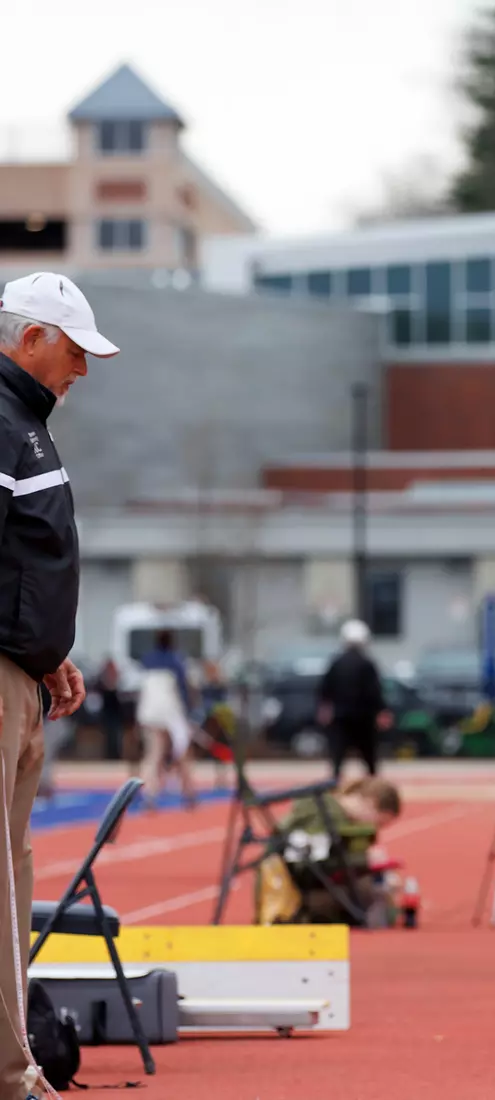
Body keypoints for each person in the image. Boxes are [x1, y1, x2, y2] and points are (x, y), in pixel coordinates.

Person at [0, 271, 114, 1100]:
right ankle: (13, 1076)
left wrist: (45, 652)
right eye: (75, 352)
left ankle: (14, 1070)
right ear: (31, 337)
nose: (81, 370)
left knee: (13, 878)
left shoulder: (23, 424)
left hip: (21, 677)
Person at [269, 776, 405, 927]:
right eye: (378, 823)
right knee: (371, 895)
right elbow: (310, 868)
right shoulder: (323, 812)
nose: (374, 828)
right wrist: (365, 861)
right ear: (371, 803)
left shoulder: (334, 811)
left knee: (373, 892)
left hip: (305, 886)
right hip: (297, 893)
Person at [316, 620, 392, 780]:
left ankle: (334, 783)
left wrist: (324, 709)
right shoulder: (367, 664)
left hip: (340, 717)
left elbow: (324, 690)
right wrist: (382, 710)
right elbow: (375, 691)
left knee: (337, 757)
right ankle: (372, 785)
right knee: (369, 758)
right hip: (364, 718)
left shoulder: (336, 663)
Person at [135, 629, 198, 810]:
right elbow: (184, 690)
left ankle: (149, 794)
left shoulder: (146, 661)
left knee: (153, 755)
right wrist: (190, 714)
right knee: (183, 753)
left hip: (149, 713)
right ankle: (188, 792)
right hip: (171, 712)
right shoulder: (176, 661)